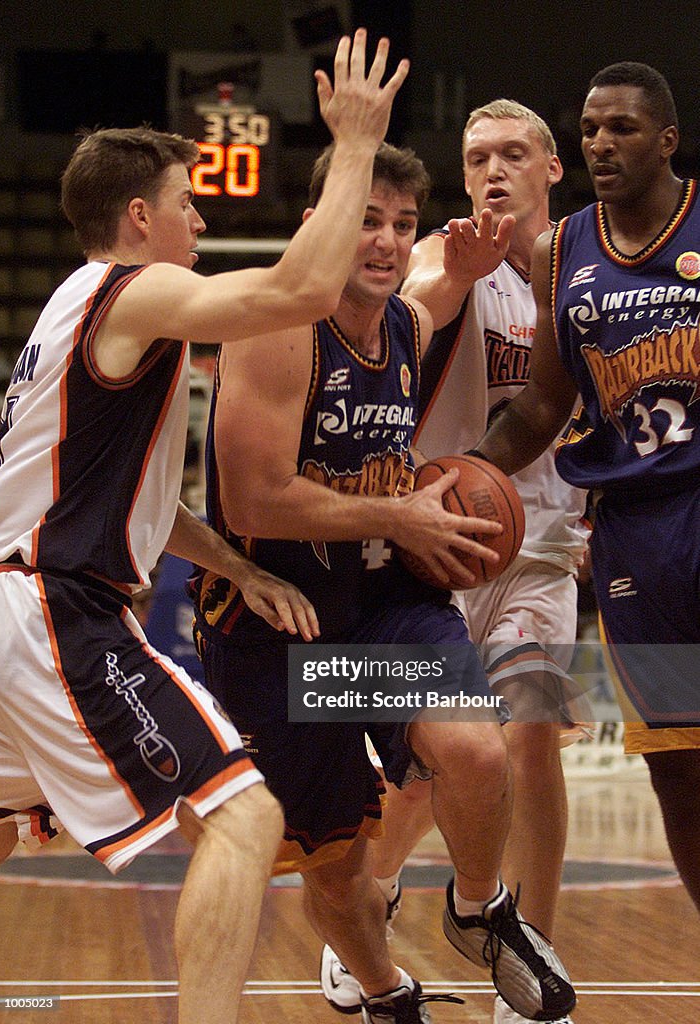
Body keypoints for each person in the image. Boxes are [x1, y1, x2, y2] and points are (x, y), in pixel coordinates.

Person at [0, 31, 409, 1024]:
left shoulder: (69, 307)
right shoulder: (137, 290)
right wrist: (353, 142)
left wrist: (231, 562)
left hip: (7, 598)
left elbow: (133, 500)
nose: (200, 213)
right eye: (186, 200)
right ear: (139, 216)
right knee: (243, 812)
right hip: (53, 608)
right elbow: (301, 292)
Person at [191, 141, 577, 1024]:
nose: (386, 241)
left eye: (401, 225)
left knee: (478, 750)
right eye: (365, 220)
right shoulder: (275, 327)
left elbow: (436, 287)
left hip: (378, 608)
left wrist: (471, 259)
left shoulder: (403, 322)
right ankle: (383, 992)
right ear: (317, 225)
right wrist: (398, 517)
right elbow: (254, 501)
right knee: (333, 864)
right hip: (279, 632)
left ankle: (476, 906)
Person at [319, 100, 589, 1024]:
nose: (493, 170)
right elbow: (377, 324)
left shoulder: (583, 272)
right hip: (430, 547)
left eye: (514, 153)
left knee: (530, 727)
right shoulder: (444, 261)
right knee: (436, 770)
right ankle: (381, 885)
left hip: (538, 543)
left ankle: (527, 949)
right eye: (477, 156)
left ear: (553, 168)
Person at [470, 62, 700, 919]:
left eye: (623, 129)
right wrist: (466, 476)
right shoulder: (558, 251)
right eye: (590, 130)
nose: (601, 144)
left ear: (667, 139)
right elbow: (541, 403)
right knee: (676, 765)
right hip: (635, 537)